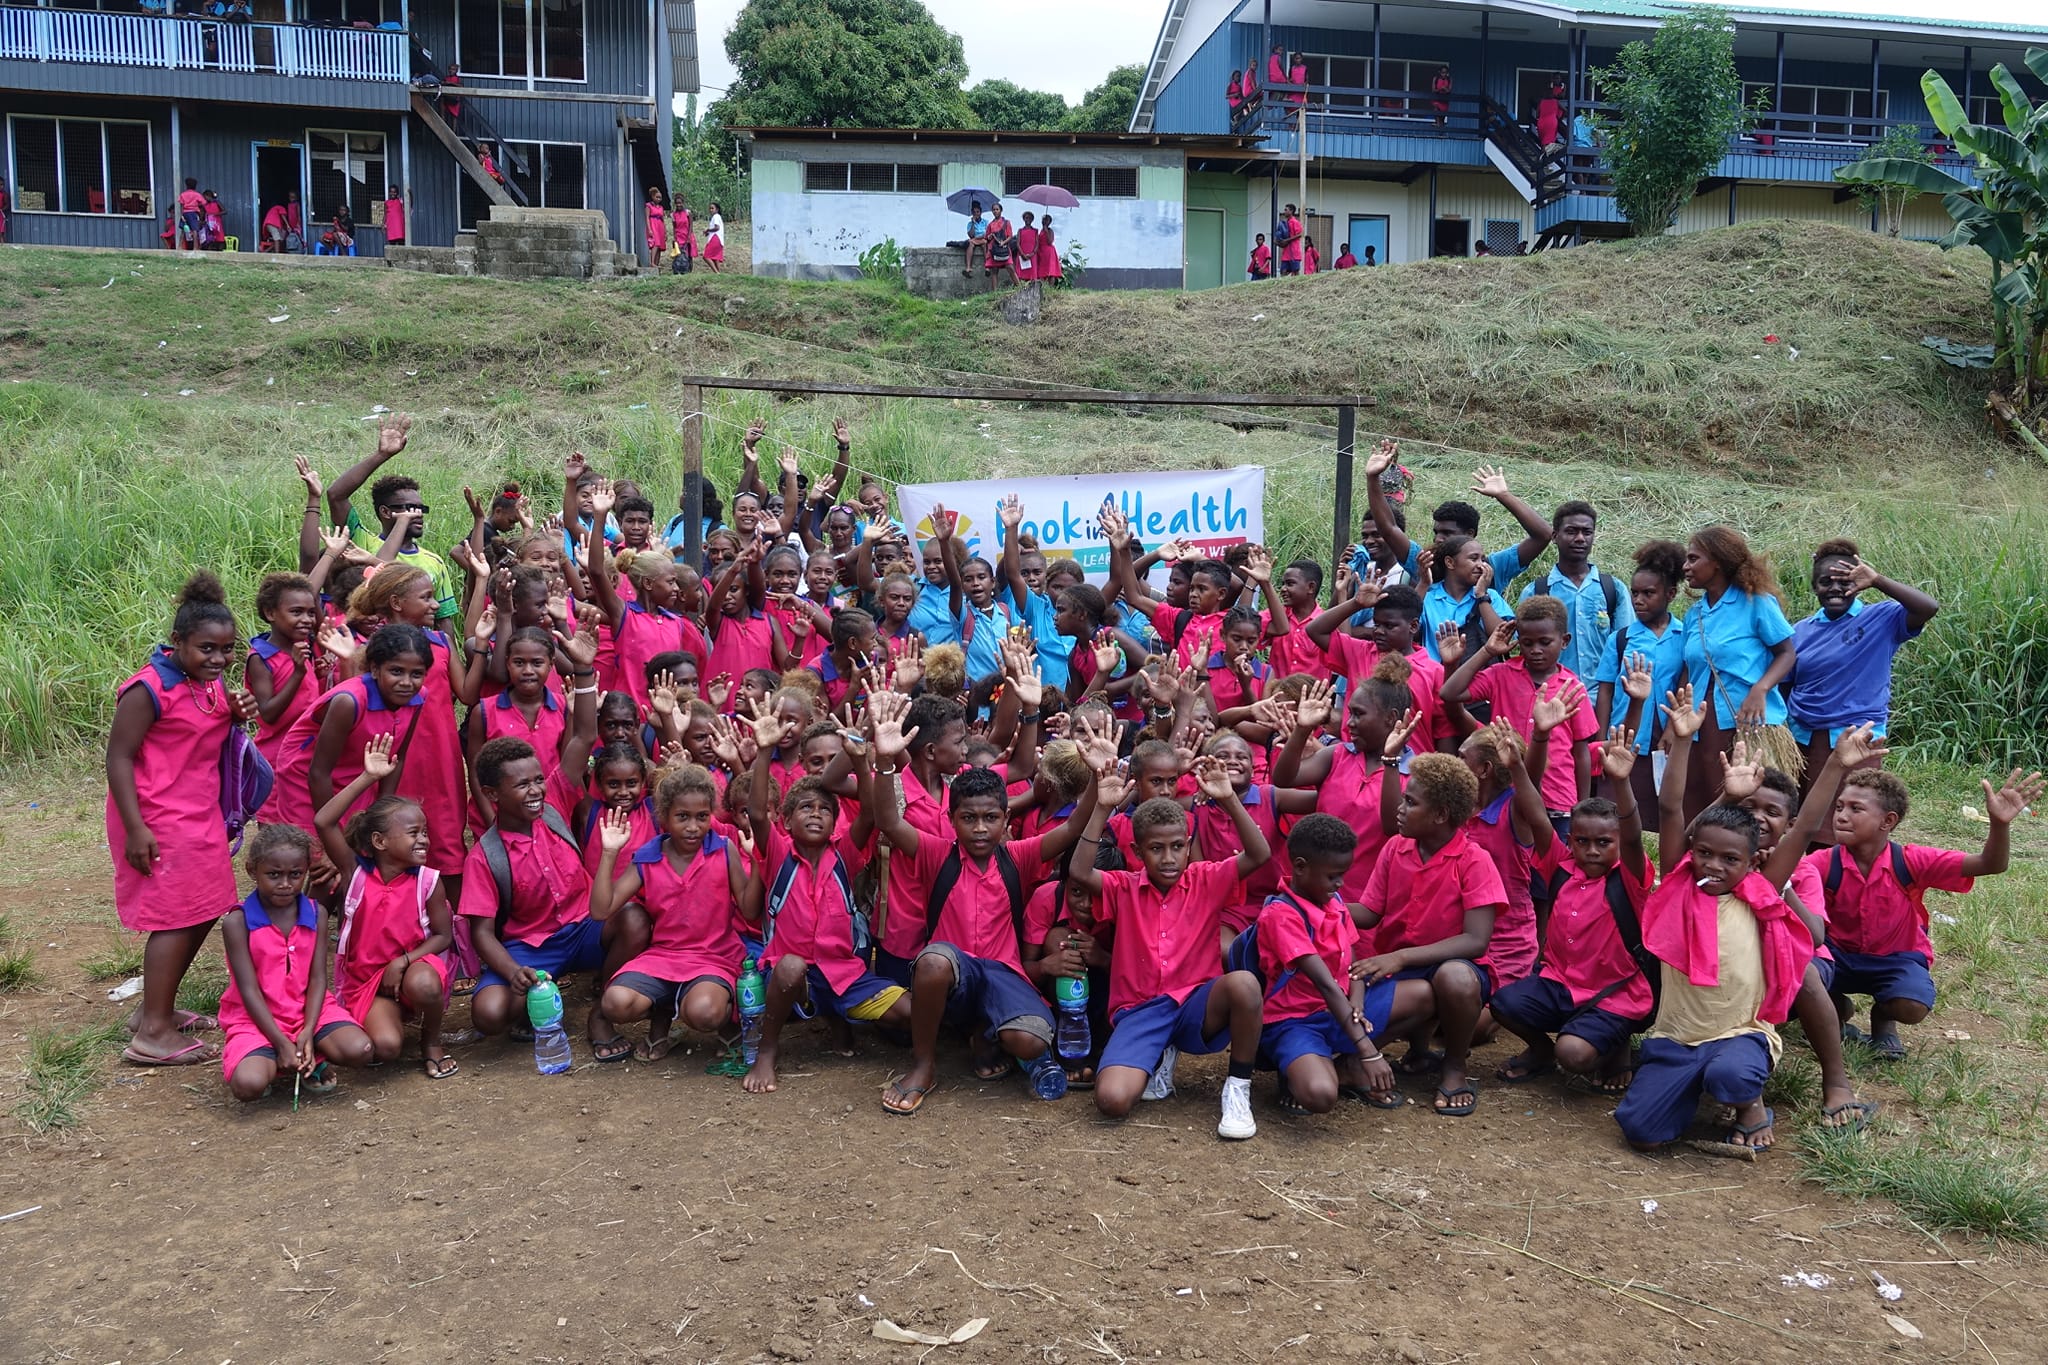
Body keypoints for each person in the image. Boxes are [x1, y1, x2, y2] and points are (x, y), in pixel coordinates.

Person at [858, 712, 1096, 1114]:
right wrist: (884, 763)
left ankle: (985, 1035)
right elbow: (889, 821)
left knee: (1032, 1042)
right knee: (933, 961)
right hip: (955, 978)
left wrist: (1094, 777)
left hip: (1003, 975)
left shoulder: (1017, 857)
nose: (981, 829)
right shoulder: (937, 854)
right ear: (952, 822)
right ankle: (923, 1066)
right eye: (968, 819)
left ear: (1006, 821)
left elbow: (1073, 827)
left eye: (991, 818)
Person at [1619, 687, 1815, 1155]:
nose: (1713, 865)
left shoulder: (1761, 892)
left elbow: (1805, 827)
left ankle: (1749, 1104)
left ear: (1753, 863)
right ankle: (1692, 1087)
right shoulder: (1678, 885)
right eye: (1704, 853)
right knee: (1641, 1132)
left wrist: (1840, 767)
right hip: (1677, 1038)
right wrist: (1682, 741)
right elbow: (1669, 810)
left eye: (1730, 859)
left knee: (1731, 1074)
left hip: (1738, 1035)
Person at [1068, 750, 1274, 1140]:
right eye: (1156, 849)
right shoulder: (1123, 887)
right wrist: (1101, 808)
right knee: (1111, 1101)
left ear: (1188, 843)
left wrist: (1228, 798)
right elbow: (1079, 871)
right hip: (1141, 1011)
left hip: (1196, 1003)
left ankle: (1237, 1090)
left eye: (1177, 847)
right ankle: (1158, 1053)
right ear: (1138, 851)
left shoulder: (1206, 879)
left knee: (1244, 983)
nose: (1168, 858)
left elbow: (1260, 854)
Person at [106, 573, 260, 1066]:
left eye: (227, 650)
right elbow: (119, 758)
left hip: (198, 816)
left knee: (204, 907)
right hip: (158, 818)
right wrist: (135, 828)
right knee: (175, 918)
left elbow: (206, 739)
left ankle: (158, 1011)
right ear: (177, 643)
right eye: (206, 649)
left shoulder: (207, 687)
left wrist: (236, 715)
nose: (217, 659)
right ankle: (152, 1032)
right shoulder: (148, 688)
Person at [1807, 763, 2042, 1062]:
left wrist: (1999, 824)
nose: (1841, 815)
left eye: (1856, 808)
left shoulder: (1910, 860)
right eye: (1839, 806)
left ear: (1887, 821)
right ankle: (1837, 1009)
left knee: (1912, 1005)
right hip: (1837, 955)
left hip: (1895, 958)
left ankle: (1883, 1017)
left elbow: (1990, 864)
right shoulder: (1822, 862)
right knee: (1803, 985)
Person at [463, 733, 646, 1060]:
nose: (535, 790)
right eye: (521, 785)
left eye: (537, 780)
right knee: (489, 1013)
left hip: (586, 927)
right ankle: (528, 1011)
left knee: (634, 917)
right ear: (492, 794)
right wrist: (512, 971)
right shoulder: (484, 856)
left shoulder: (554, 809)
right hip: (531, 946)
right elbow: (481, 933)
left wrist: (584, 679)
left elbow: (584, 735)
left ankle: (602, 1013)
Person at [1491, 723, 1653, 1092]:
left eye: (1603, 842)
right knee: (1503, 1002)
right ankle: (1540, 1050)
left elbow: (1631, 835)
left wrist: (1622, 782)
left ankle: (1615, 1045)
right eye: (1582, 841)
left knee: (1575, 1055)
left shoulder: (1629, 877)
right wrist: (1517, 766)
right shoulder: (1561, 867)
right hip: (1561, 985)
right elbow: (1536, 815)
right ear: (1570, 840)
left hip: (1616, 994)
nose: (1592, 850)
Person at [1356, 744, 1503, 1117]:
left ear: (1440, 814)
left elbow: (1475, 940)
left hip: (1450, 966)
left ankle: (1454, 1065)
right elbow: (1370, 911)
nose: (1399, 810)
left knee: (1454, 978)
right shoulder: (1395, 849)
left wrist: (1400, 957)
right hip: (1402, 968)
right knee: (1355, 1034)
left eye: (1410, 803)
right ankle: (1419, 1053)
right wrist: (1317, 904)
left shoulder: (1475, 861)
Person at [595, 763, 761, 1061]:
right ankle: (664, 1011)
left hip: (714, 956)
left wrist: (758, 860)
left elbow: (749, 910)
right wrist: (609, 853)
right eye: (682, 817)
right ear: (664, 818)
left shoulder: (724, 849)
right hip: (664, 956)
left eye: (702, 817)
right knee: (615, 1003)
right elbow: (600, 910)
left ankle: (723, 1021)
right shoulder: (649, 856)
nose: (693, 827)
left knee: (703, 1012)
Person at [314, 737, 457, 1079]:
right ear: (379, 842)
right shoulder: (356, 874)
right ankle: (388, 1014)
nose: (424, 839)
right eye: (413, 833)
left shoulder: (427, 880)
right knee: (387, 1048)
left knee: (424, 984)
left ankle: (432, 1041)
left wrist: (403, 960)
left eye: (425, 832)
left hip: (411, 970)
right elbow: (323, 822)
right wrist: (367, 778)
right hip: (367, 982)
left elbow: (443, 936)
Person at [1253, 814, 1405, 1113]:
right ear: (1299, 866)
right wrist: (1369, 1051)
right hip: (1295, 1020)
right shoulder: (1280, 916)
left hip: (1338, 1011)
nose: (1340, 884)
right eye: (1333, 876)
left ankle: (1345, 1066)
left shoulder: (1333, 902)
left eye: (1343, 874)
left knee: (1424, 995)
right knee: (1321, 1095)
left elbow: (1353, 965)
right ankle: (1297, 1068)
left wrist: (1358, 1003)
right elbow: (1324, 983)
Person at [217, 826, 374, 1101]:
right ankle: (278, 1059)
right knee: (248, 1085)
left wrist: (308, 1031)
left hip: (308, 1010)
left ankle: (309, 1054)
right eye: (274, 875)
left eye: (296, 875)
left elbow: (317, 980)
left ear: (306, 871)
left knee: (360, 1049)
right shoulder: (238, 922)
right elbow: (248, 991)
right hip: (256, 1018)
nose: (285, 884)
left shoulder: (317, 914)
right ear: (252, 870)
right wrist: (280, 1041)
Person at [1785, 539, 1938, 798]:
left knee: (1847, 817)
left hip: (1856, 739)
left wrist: (1878, 580)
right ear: (1814, 587)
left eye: (1845, 582)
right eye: (1826, 582)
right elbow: (1786, 684)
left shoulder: (1882, 619)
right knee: (1799, 817)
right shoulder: (1799, 631)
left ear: (1858, 585)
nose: (1835, 589)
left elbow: (1928, 607)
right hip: (1802, 736)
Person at [1442, 599, 1600, 828]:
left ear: (1564, 641)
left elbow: (1581, 753)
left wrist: (1583, 807)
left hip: (1556, 799)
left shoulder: (1572, 688)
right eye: (1527, 643)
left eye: (1545, 642)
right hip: (1505, 797)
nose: (1535, 650)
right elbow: (1450, 692)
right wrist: (1487, 651)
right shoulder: (1501, 675)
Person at [1677, 525, 1796, 825]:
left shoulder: (1756, 602)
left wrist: (1761, 689)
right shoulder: (1695, 614)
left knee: (1749, 799)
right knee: (1704, 793)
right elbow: (1689, 670)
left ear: (1717, 560)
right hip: (1702, 720)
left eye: (1693, 559)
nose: (1685, 567)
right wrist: (1674, 724)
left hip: (1746, 719)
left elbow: (1787, 653)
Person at [323, 414, 462, 625]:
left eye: (421, 508)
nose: (417, 514)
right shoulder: (360, 543)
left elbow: (443, 622)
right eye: (409, 508)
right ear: (385, 512)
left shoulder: (434, 561)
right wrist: (382, 455)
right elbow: (336, 495)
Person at [1592, 539, 1687, 830]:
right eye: (1634, 593)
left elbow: (1686, 685)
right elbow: (1605, 690)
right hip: (1624, 733)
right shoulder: (1620, 639)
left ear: (1670, 594)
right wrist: (1600, 735)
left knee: (1661, 813)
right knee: (1614, 813)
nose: (1638, 600)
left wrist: (1673, 729)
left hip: (1664, 737)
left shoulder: (1685, 637)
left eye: (1649, 593)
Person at [1522, 504, 1632, 686]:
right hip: (1552, 696)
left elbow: (1625, 645)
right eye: (1571, 531)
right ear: (1555, 536)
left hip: (1603, 697)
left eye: (1587, 532)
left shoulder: (1613, 589)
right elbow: (1526, 648)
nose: (1580, 538)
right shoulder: (1537, 591)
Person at [983, 200, 1015, 287]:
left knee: (1010, 267)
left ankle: (1019, 287)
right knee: (994, 270)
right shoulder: (990, 224)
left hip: (1004, 249)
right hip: (994, 250)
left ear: (1001, 210)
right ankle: (995, 293)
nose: (995, 211)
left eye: (997, 209)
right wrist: (989, 237)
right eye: (993, 210)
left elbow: (1010, 236)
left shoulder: (1006, 222)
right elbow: (986, 238)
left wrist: (1003, 242)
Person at [178, 177, 205, 252]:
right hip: (193, 213)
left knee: (183, 229)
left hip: (185, 213)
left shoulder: (183, 194)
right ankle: (195, 247)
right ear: (195, 186)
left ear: (186, 185)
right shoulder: (197, 195)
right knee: (195, 230)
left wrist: (182, 215)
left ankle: (180, 246)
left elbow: (181, 205)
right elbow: (204, 203)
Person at [1277, 204, 1304, 276]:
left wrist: (1287, 240)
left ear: (1291, 211)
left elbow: (1299, 234)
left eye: (1286, 210)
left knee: (1295, 272)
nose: (1284, 212)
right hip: (1286, 252)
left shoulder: (1295, 222)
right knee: (1283, 271)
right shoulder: (1285, 223)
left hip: (1294, 252)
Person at [1035, 213, 1062, 284]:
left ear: (1049, 222)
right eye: (1043, 219)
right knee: (1042, 271)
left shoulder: (1050, 231)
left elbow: (1050, 241)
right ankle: (1043, 287)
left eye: (1046, 220)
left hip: (1049, 252)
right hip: (1041, 252)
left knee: (1050, 271)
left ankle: (1050, 287)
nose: (1044, 221)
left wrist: (1046, 231)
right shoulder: (1041, 231)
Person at [962, 200, 988, 276]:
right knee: (970, 243)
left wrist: (978, 238)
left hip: (983, 240)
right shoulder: (970, 224)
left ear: (980, 212)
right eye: (974, 212)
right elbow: (971, 235)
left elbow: (987, 233)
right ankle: (968, 267)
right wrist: (973, 223)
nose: (976, 214)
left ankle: (987, 267)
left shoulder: (985, 222)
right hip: (974, 241)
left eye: (977, 212)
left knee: (984, 244)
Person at [1013, 212, 1039, 286]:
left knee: (1032, 275)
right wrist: (1023, 254)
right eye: (1026, 218)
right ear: (1024, 219)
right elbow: (1018, 243)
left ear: (1032, 220)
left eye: (1030, 218)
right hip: (1022, 255)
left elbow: (1037, 243)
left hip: (1032, 256)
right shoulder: (1020, 230)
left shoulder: (1035, 231)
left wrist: (1032, 253)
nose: (1028, 219)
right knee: (1021, 274)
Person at [644, 185, 669, 261]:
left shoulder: (661, 207)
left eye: (660, 198)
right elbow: (647, 218)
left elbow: (663, 220)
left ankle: (656, 263)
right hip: (653, 225)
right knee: (656, 243)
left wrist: (665, 232)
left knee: (660, 245)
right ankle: (652, 262)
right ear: (652, 196)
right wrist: (649, 229)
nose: (658, 199)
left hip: (660, 226)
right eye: (657, 197)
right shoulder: (648, 206)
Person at [703, 200, 725, 272]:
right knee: (715, 258)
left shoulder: (715, 216)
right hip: (719, 239)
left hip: (715, 238)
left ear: (717, 209)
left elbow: (717, 228)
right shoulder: (718, 217)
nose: (711, 210)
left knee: (706, 256)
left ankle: (716, 273)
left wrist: (708, 230)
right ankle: (719, 273)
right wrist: (708, 232)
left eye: (712, 208)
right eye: (710, 208)